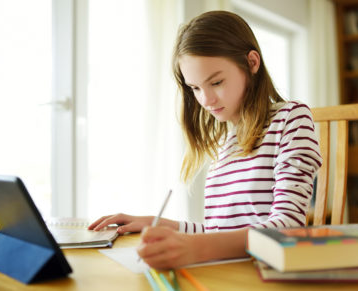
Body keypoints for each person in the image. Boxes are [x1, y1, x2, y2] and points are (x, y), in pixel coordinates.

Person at [89, 10, 322, 269]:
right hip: (228, 272)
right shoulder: (226, 142)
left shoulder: (291, 119)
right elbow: (218, 231)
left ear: (252, 63)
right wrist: (157, 222)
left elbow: (286, 228)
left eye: (217, 82)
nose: (206, 101)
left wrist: (194, 248)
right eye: (195, 88)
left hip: (262, 275)